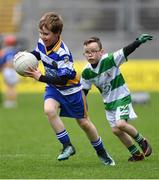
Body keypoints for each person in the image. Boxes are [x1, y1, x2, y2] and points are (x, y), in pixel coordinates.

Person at [15, 12, 115, 166]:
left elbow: (63, 79)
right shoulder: (41, 41)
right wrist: (26, 57)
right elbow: (38, 53)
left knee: (84, 124)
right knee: (49, 110)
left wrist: (39, 77)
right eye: (40, 32)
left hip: (72, 90)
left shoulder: (63, 54)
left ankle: (101, 151)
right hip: (53, 88)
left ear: (57, 34)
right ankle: (67, 146)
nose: (42, 36)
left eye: (46, 34)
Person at [81, 34, 153, 162]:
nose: (90, 54)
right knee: (116, 130)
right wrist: (81, 106)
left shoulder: (110, 60)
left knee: (121, 124)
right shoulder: (86, 72)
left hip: (122, 96)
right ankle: (136, 154)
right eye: (87, 52)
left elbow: (126, 50)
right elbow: (83, 92)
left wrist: (138, 42)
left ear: (101, 52)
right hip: (108, 103)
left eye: (93, 51)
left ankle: (142, 141)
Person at [0, 35, 19, 108]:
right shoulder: (15, 50)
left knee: (9, 87)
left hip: (9, 70)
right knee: (13, 87)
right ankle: (13, 101)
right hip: (14, 70)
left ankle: (9, 101)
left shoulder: (6, 51)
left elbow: (9, 62)